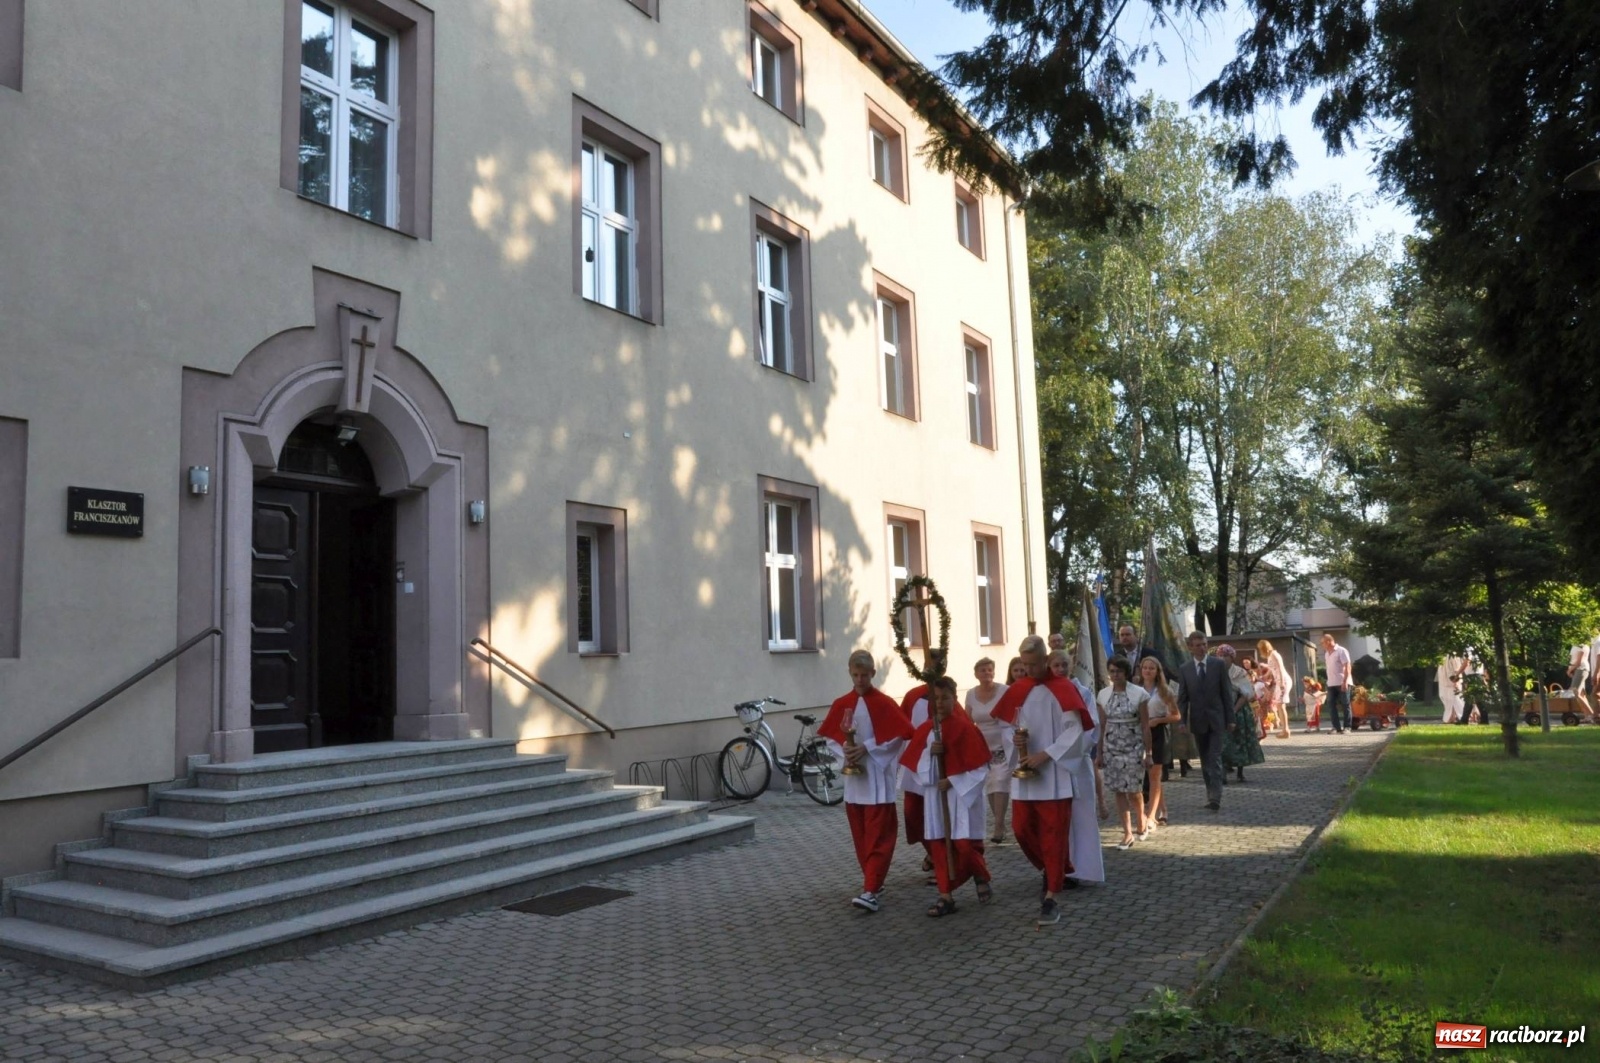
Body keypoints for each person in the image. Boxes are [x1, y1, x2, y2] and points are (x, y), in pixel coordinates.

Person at [991, 634, 1094, 926]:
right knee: (1021, 829)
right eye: (1024, 665)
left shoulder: (1063, 688)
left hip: (1054, 776)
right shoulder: (1019, 689)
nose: (1028, 670)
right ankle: (1052, 868)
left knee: (1054, 836)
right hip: (1025, 777)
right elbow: (1006, 726)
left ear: (1045, 659)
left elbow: (1075, 730)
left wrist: (1046, 754)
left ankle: (1051, 898)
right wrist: (1015, 741)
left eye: (1034, 664)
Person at [818, 650, 914, 913]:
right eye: (855, 675)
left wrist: (867, 747)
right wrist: (846, 752)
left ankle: (870, 889)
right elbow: (831, 737)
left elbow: (899, 735)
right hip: (855, 783)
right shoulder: (842, 703)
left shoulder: (884, 703)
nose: (860, 680)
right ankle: (873, 882)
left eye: (864, 675)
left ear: (873, 673)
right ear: (850, 673)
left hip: (877, 780)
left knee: (878, 838)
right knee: (861, 838)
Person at [902, 677, 993, 916]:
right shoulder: (927, 730)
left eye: (945, 698)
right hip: (936, 797)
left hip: (960, 798)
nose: (940, 703)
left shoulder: (966, 728)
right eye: (936, 698)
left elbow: (981, 768)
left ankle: (980, 874)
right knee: (939, 846)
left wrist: (953, 781)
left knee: (964, 845)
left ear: (955, 699)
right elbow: (918, 770)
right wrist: (930, 755)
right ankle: (945, 896)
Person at [1096, 656, 1153, 849]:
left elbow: (1145, 726)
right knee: (1118, 790)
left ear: (1126, 672)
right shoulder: (1103, 695)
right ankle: (1127, 832)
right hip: (1112, 747)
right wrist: (1099, 753)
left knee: (1134, 789)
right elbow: (1101, 725)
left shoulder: (1139, 694)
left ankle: (1141, 818)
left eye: (1119, 671)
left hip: (1134, 745)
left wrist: (1148, 753)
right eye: (1112, 671)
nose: (1115, 675)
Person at [1176, 631, 1234, 811]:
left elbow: (1226, 693)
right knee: (1204, 759)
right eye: (1198, 645)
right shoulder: (1185, 669)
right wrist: (1181, 721)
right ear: (1190, 648)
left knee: (1214, 757)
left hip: (1217, 719)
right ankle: (1210, 792)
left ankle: (1216, 797)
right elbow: (1182, 698)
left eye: (1204, 644)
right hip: (1198, 720)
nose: (1202, 648)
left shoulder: (1218, 665)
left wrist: (1230, 718)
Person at [1052, 648, 1105, 821]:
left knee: (1082, 814)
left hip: (1077, 758)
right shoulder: (1046, 693)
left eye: (1064, 665)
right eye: (1056, 665)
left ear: (1072, 665)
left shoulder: (1084, 693)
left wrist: (1068, 750)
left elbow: (1092, 726)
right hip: (1052, 761)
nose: (1061, 669)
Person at [964, 657, 1011, 844]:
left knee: (1000, 781)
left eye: (990, 669)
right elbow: (968, 721)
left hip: (1003, 744)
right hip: (982, 746)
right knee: (991, 784)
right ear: (976, 674)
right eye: (983, 670)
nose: (987, 673)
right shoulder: (971, 694)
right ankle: (999, 821)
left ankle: (999, 825)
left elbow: (1011, 713)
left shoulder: (1004, 691)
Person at [1136, 654, 1178, 826]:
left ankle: (1151, 815)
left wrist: (1159, 720)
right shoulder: (1136, 689)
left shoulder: (1164, 691)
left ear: (1157, 671)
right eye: (1145, 668)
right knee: (1151, 776)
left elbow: (1176, 715)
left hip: (1158, 732)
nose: (1147, 671)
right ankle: (1163, 810)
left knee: (1154, 774)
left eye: (1151, 668)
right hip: (1140, 732)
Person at [1218, 645, 1265, 782]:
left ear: (1231, 657)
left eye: (1225, 656)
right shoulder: (1215, 671)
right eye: (1220, 656)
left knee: (1240, 740)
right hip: (1221, 710)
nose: (1222, 659)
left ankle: (1240, 772)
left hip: (1239, 710)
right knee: (1223, 742)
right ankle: (1223, 772)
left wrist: (1234, 710)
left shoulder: (1239, 672)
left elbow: (1246, 694)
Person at [1257, 639, 1291, 739]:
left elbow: (1280, 668)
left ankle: (1286, 730)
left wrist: (1282, 683)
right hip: (1279, 681)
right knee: (1280, 705)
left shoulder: (1274, 655)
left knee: (1281, 705)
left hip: (1283, 681)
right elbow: (1272, 669)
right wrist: (1264, 677)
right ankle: (1284, 730)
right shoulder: (1270, 656)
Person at [1321, 633, 1353, 734]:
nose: (1322, 645)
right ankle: (1336, 727)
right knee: (1331, 705)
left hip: (1342, 682)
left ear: (1328, 641)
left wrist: (1345, 681)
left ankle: (1347, 727)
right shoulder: (1327, 654)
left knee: (1345, 704)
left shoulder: (1341, 651)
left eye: (1322, 643)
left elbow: (1347, 666)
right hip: (1331, 683)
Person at [1567, 641, 1594, 719]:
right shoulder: (1575, 644)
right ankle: (1587, 716)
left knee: (1575, 692)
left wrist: (1569, 670)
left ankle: (1592, 714)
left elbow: (1579, 662)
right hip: (1577, 670)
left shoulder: (1581, 645)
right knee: (1581, 694)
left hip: (1581, 669)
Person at [1436, 654, 1466, 724]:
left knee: (1455, 700)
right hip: (1446, 682)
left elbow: (1455, 669)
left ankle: (1454, 717)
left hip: (1450, 682)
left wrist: (1456, 681)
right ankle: (1452, 717)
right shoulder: (1445, 657)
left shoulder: (1452, 656)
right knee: (1450, 700)